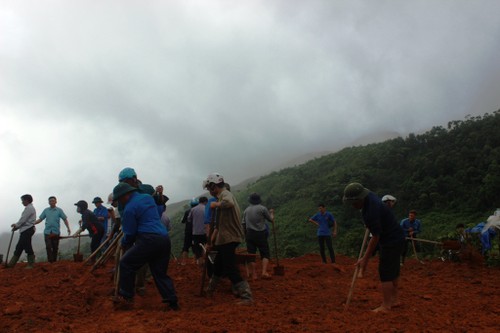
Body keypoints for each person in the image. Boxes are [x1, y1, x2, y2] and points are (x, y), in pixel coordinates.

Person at [111, 182, 178, 311]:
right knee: (159, 273)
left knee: (125, 263)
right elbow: (158, 210)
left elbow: (130, 233)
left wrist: (124, 244)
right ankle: (172, 302)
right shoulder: (147, 198)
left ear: (125, 195)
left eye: (119, 199)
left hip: (148, 239)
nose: (119, 202)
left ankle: (126, 297)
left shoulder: (129, 208)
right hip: (164, 238)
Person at [343, 182, 405, 312]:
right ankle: (395, 300)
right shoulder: (369, 195)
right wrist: (371, 224)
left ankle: (386, 305)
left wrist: (365, 259)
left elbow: (375, 237)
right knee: (393, 270)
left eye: (353, 203)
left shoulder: (371, 212)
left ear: (359, 199)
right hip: (397, 236)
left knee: (386, 273)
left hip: (390, 240)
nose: (353, 206)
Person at [204, 173, 253, 305]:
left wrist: (216, 205)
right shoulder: (220, 198)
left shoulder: (225, 194)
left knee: (229, 267)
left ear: (214, 186)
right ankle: (210, 290)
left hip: (230, 237)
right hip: (223, 238)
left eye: (209, 188)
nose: (209, 191)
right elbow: (218, 228)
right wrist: (210, 243)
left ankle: (246, 296)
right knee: (218, 266)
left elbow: (229, 203)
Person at [242, 192, 274, 279]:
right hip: (260, 234)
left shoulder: (246, 210)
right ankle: (264, 272)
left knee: (251, 254)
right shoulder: (262, 208)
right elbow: (271, 220)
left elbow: (243, 224)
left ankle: (254, 275)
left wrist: (245, 235)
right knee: (265, 253)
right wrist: (271, 213)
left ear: (250, 201)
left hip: (249, 234)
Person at [34, 196, 71, 263]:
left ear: (56, 201)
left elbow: (65, 219)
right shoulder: (46, 210)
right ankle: (50, 261)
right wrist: (33, 223)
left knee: (55, 247)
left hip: (55, 231)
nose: (51, 202)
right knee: (48, 247)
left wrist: (68, 228)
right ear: (48, 202)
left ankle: (54, 261)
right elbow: (40, 219)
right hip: (47, 231)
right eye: (50, 201)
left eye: (53, 201)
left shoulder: (59, 210)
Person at [8, 194, 37, 268]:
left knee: (27, 246)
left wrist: (16, 225)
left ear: (26, 200)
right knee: (19, 247)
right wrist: (17, 227)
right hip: (26, 229)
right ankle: (11, 264)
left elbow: (23, 220)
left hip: (27, 229)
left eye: (23, 201)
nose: (22, 202)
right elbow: (23, 221)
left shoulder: (29, 208)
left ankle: (31, 264)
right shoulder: (29, 208)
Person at [188, 196, 208, 266]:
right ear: (205, 202)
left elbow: (189, 219)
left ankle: (200, 263)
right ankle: (206, 261)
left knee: (197, 249)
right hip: (205, 232)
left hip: (196, 232)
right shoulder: (207, 208)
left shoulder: (193, 209)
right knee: (206, 246)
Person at [179, 198, 198, 265]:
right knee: (195, 246)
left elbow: (183, 221)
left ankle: (184, 262)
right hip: (196, 231)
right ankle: (195, 261)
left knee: (185, 246)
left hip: (188, 231)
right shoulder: (198, 211)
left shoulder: (187, 211)